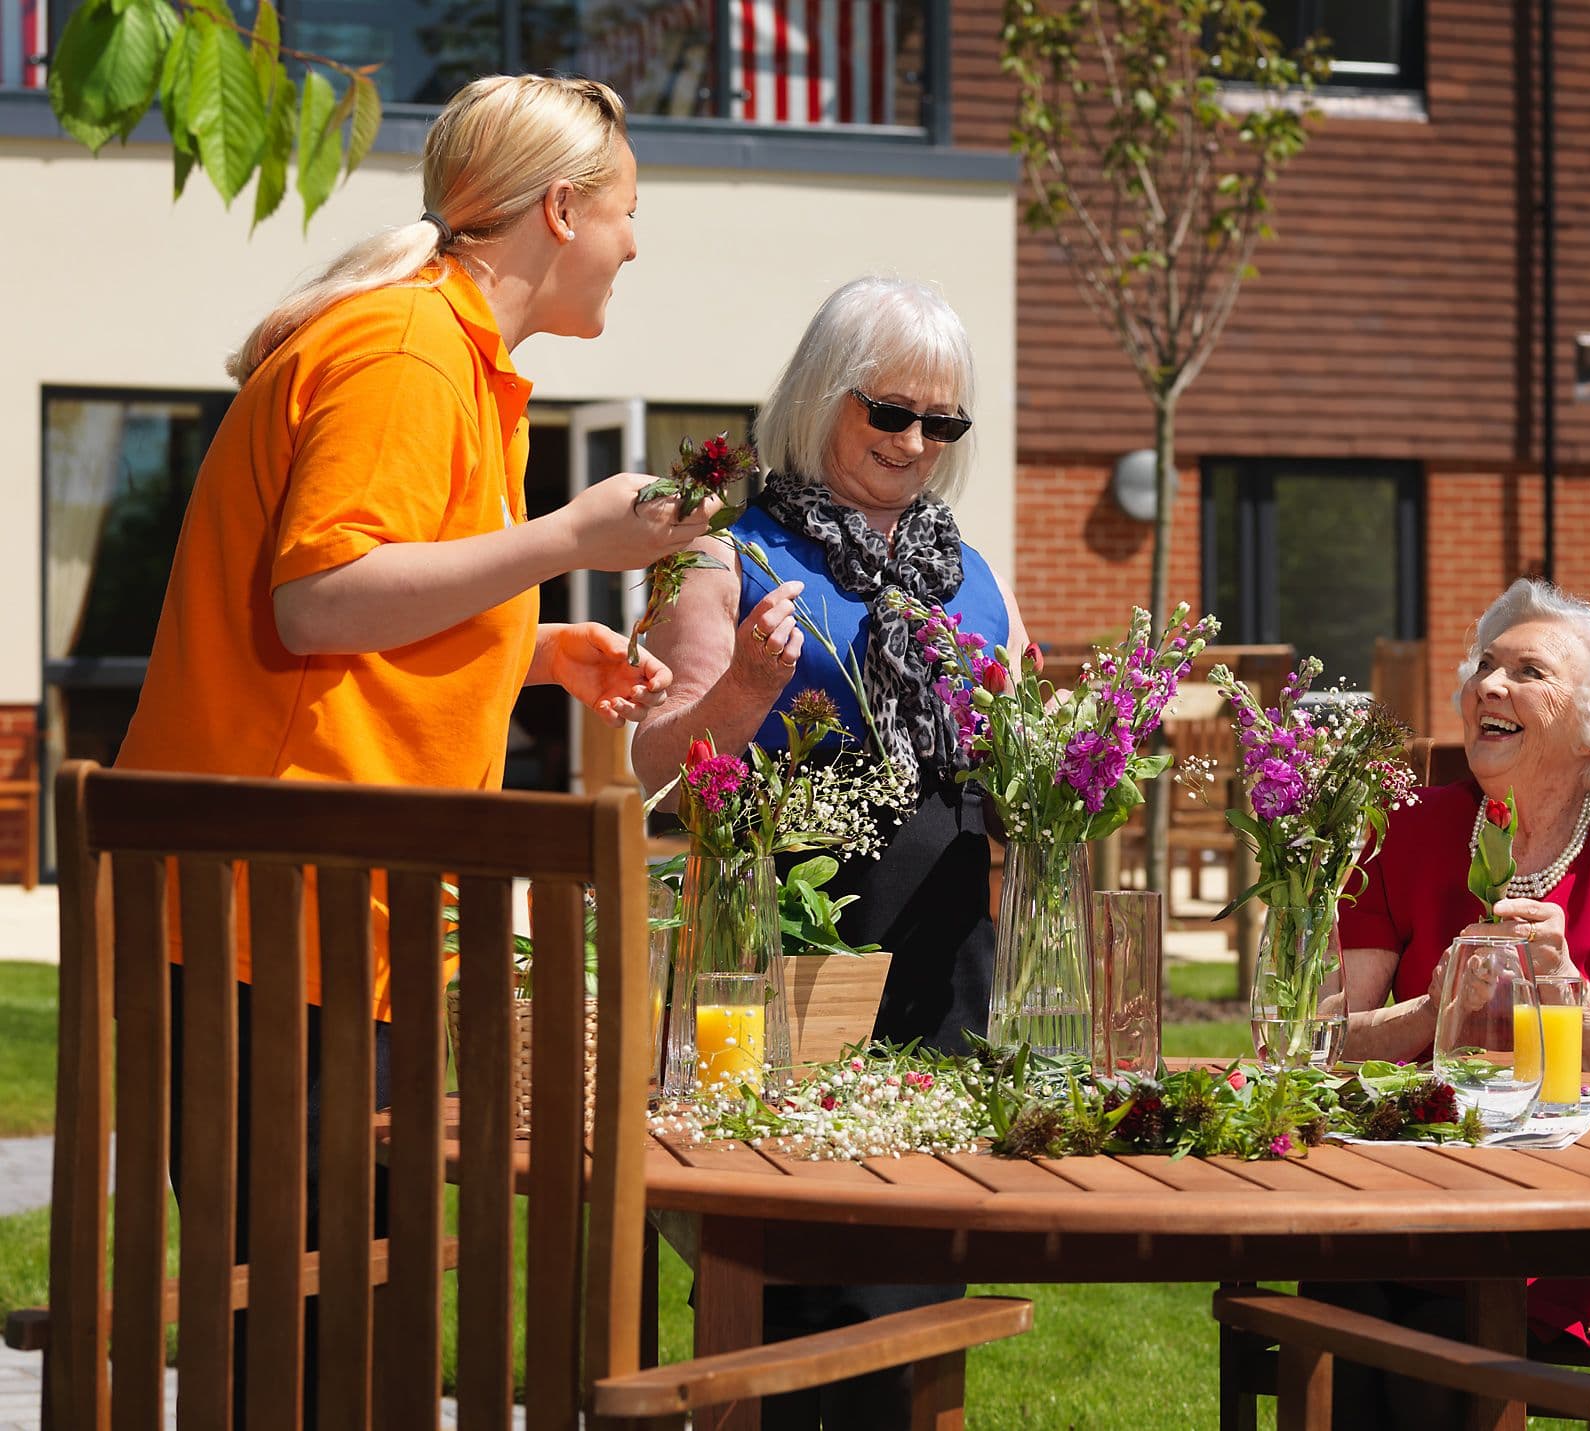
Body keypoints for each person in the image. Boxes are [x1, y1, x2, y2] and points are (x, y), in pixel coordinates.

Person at [115, 74, 717, 1426]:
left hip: (311, 917)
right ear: (562, 211)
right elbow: (316, 596)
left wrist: (534, 641)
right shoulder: (407, 356)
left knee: (342, 1331)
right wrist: (568, 538)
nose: (636, 241)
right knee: (317, 1340)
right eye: (628, 212)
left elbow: (387, 587)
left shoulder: (457, 362)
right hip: (276, 919)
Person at [631, 274, 1023, 1429]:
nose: (915, 443)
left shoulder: (967, 569)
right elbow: (654, 767)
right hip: (793, 942)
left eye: (940, 422)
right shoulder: (722, 555)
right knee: (797, 1274)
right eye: (888, 412)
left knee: (918, 1259)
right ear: (819, 398)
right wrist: (751, 683)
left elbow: (1002, 747)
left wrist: (1041, 749)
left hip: (951, 944)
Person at [1321, 578, 1590, 1426]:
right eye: (1485, 666)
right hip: (1399, 1188)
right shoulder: (1406, 829)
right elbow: (1322, 1042)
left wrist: (1566, 988)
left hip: (1569, 1217)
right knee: (1364, 1300)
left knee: (1410, 1339)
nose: (1489, 684)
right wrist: (1433, 1007)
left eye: (1528, 671)